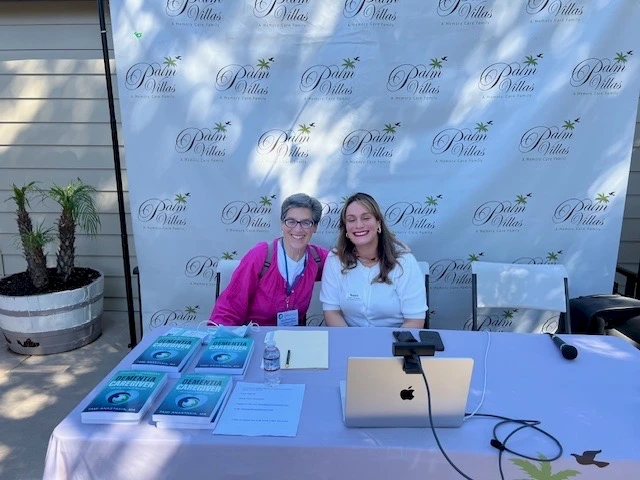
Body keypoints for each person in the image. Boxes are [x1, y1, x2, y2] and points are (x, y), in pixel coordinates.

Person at [209, 193, 328, 326]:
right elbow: (230, 307)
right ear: (282, 224)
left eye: (306, 222)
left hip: (291, 340)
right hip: (254, 336)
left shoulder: (317, 258)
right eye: (291, 221)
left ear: (315, 227)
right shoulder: (261, 254)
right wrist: (221, 342)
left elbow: (348, 262)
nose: (298, 229)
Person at [320, 192, 427, 328]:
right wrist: (351, 345)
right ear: (345, 228)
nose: (359, 225)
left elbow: (414, 321)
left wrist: (387, 348)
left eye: (366, 218)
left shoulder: (404, 262)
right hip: (349, 343)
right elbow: (332, 312)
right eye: (351, 220)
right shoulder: (335, 259)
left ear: (378, 223)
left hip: (395, 343)